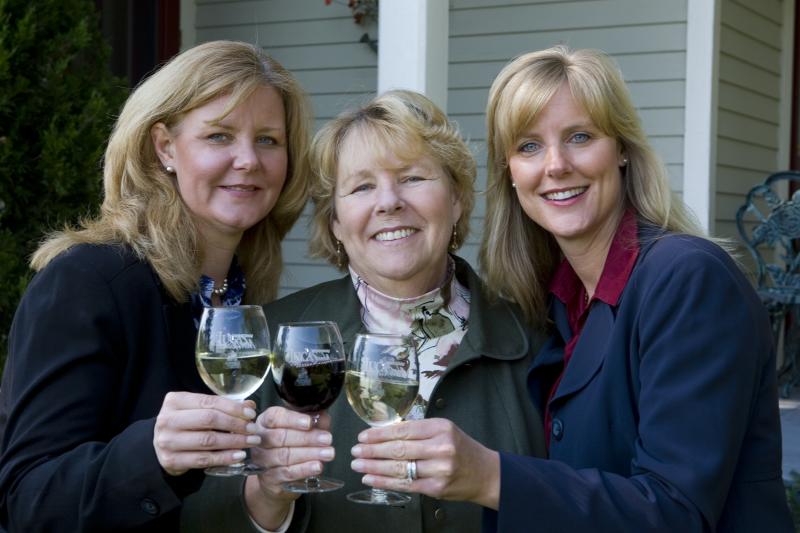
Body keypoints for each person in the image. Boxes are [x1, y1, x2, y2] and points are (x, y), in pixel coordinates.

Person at [181, 89, 547, 532]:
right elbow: (200, 522)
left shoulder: (537, 337)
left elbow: (575, 501)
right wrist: (268, 494)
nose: (388, 202)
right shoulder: (272, 340)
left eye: (412, 178)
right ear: (334, 222)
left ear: (456, 199)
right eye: (362, 186)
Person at [474, 45, 793, 531]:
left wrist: (490, 477)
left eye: (580, 136)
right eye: (529, 146)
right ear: (510, 174)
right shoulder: (559, 302)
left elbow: (675, 511)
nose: (556, 165)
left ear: (621, 149)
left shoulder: (687, 279)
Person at [0, 40, 311, 531]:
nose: (249, 159)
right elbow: (27, 503)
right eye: (219, 136)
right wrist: (152, 453)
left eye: (269, 139)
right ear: (165, 146)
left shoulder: (240, 296)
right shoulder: (87, 281)